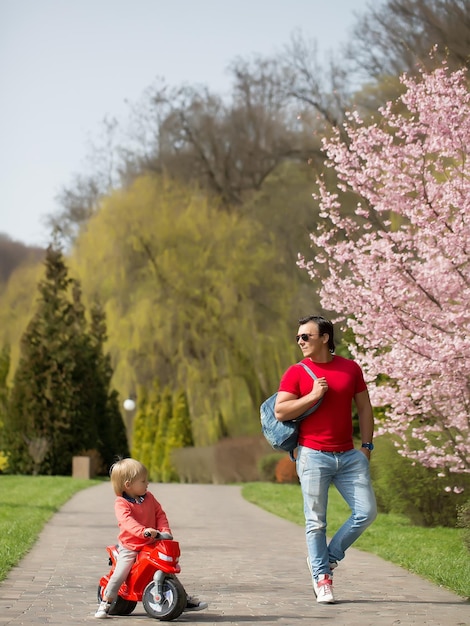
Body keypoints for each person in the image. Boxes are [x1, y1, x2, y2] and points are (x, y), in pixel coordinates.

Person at [274, 315, 377, 604]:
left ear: (325, 338)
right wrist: (313, 395)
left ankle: (327, 558)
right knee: (316, 522)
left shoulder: (350, 369)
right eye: (297, 338)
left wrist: (366, 446)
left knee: (366, 512)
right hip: (312, 456)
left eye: (305, 336)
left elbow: (365, 408)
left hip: (349, 455)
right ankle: (322, 578)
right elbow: (281, 411)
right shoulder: (296, 372)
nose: (300, 342)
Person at [95, 457, 208, 619]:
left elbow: (159, 514)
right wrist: (142, 531)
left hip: (150, 542)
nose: (147, 483)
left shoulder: (149, 498)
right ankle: (106, 602)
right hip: (130, 546)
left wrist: (164, 530)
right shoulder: (121, 504)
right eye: (143, 481)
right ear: (128, 485)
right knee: (121, 573)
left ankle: (182, 598)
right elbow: (126, 521)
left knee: (167, 569)